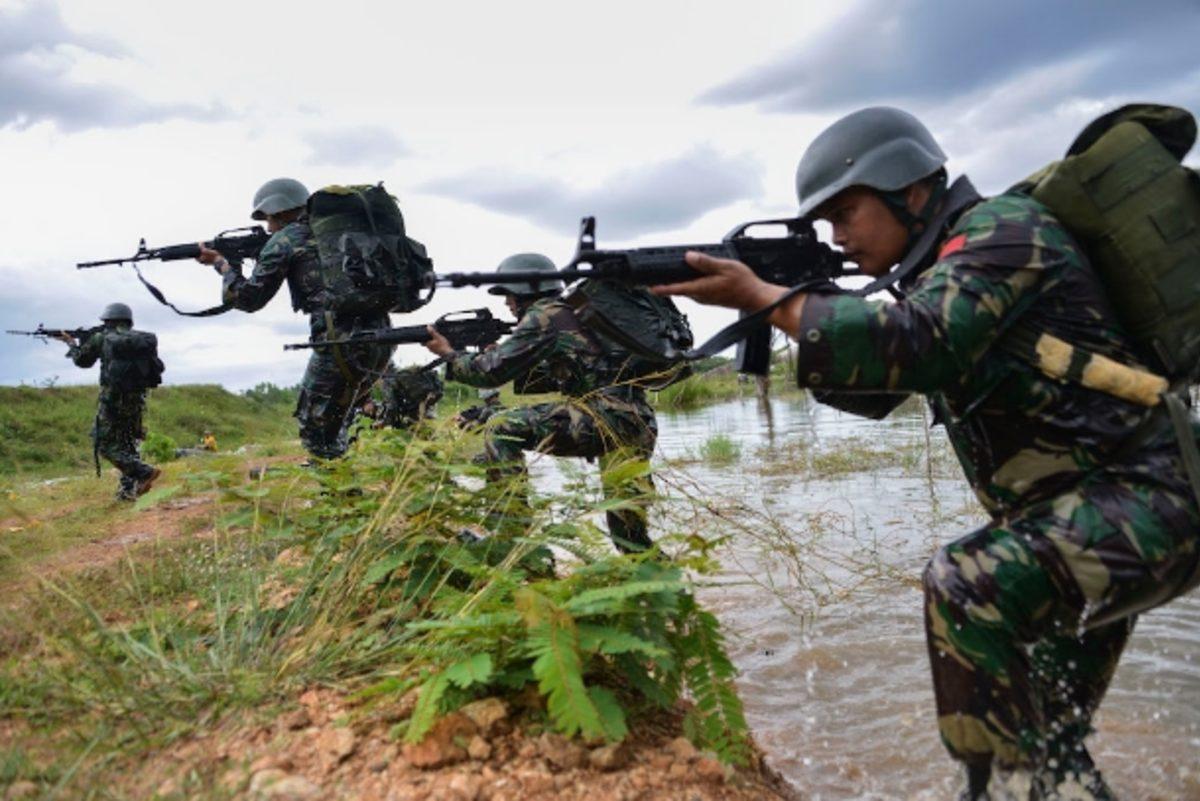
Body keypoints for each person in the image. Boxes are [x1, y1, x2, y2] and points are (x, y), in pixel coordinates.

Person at [652, 107, 1200, 799]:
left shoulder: (1002, 231)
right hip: (1094, 515)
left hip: (1153, 501)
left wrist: (772, 299)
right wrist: (784, 306)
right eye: (826, 224)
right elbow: (884, 387)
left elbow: (923, 340)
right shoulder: (944, 266)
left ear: (910, 191)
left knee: (966, 585)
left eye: (846, 213)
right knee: (1049, 743)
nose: (839, 237)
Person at [423, 253, 658, 554]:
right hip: (635, 422)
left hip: (606, 418)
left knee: (500, 426)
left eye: (508, 295)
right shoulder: (572, 313)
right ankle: (665, 592)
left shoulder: (545, 314)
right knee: (631, 539)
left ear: (525, 290)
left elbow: (489, 373)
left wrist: (448, 354)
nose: (507, 303)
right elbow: (567, 373)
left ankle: (508, 535)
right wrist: (504, 353)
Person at [196, 178, 393, 459]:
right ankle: (351, 487)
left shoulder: (286, 239)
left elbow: (248, 300)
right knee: (339, 422)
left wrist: (223, 265)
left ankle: (342, 497)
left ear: (279, 210)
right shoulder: (337, 231)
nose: (268, 227)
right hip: (382, 336)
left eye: (269, 219)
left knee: (315, 429)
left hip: (339, 342)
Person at [58, 303, 162, 501]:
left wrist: (71, 344)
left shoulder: (102, 337)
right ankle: (127, 491)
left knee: (103, 444)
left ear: (107, 320)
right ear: (128, 320)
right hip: (137, 399)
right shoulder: (143, 340)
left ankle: (144, 472)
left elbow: (83, 361)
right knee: (127, 443)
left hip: (113, 399)